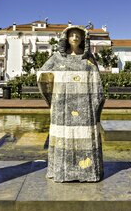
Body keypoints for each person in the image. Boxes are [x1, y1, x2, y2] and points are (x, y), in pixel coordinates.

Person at [37, 25, 105, 182]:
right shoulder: (56, 58)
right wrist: (56, 92)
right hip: (63, 106)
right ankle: (63, 171)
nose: (75, 38)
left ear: (83, 39)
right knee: (64, 136)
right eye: (72, 35)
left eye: (78, 35)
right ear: (66, 38)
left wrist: (96, 105)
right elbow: (41, 75)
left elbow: (97, 83)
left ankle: (87, 172)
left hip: (85, 107)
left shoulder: (88, 59)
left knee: (84, 136)